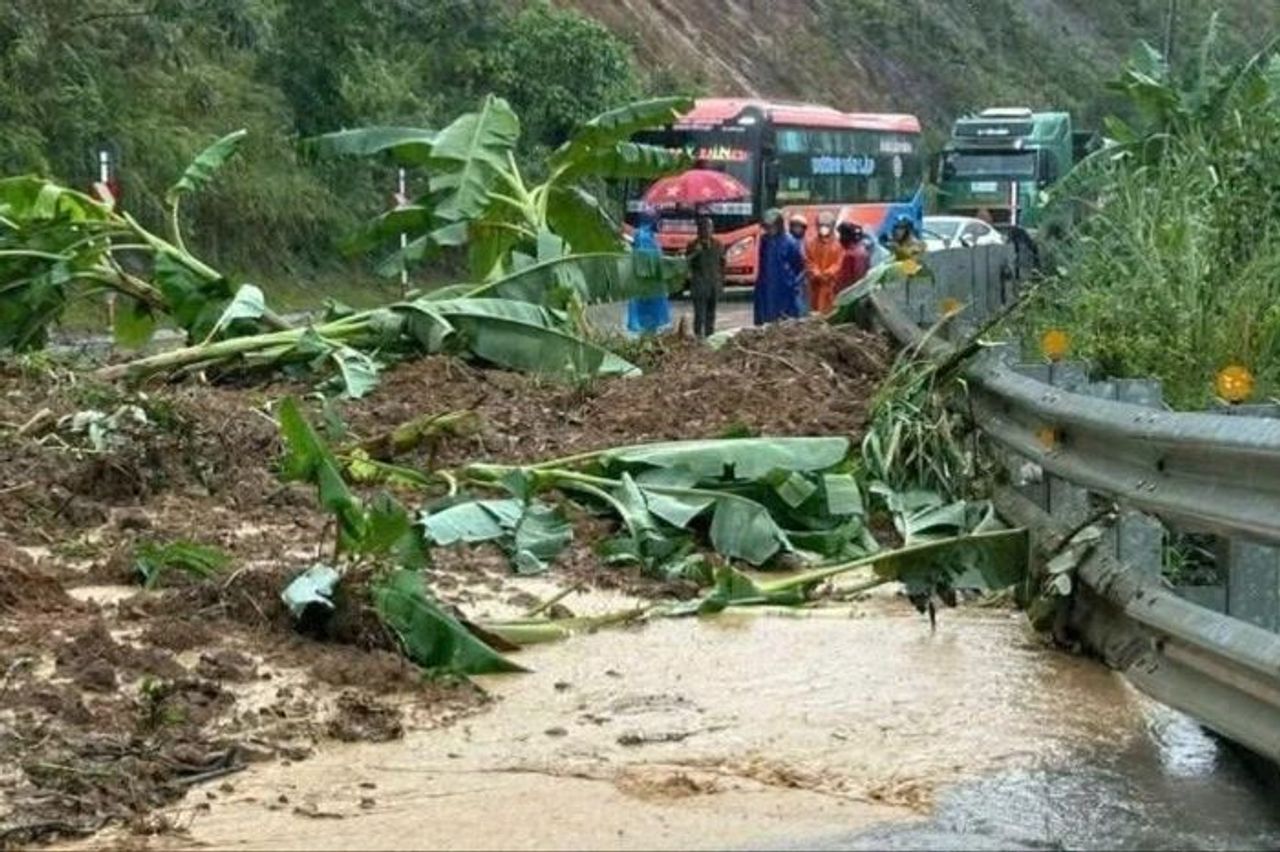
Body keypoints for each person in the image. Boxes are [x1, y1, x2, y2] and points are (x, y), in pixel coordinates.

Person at [753, 208, 805, 325]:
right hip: (766, 286)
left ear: (779, 225)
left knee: (784, 320)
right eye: (767, 227)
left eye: (771, 227)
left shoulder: (790, 242)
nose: (769, 230)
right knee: (765, 318)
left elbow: (799, 266)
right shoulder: (765, 240)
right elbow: (762, 264)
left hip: (784, 288)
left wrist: (792, 283)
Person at [626, 209, 671, 335]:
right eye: (656, 219)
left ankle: (649, 337)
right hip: (647, 282)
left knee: (651, 317)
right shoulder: (643, 236)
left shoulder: (649, 236)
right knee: (647, 315)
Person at [685, 212, 724, 339]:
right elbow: (687, 263)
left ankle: (710, 337)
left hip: (713, 284)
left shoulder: (718, 244)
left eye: (710, 228)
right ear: (699, 230)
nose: (708, 231)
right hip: (699, 286)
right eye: (705, 228)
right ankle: (698, 337)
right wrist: (696, 253)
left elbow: (722, 264)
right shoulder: (692, 245)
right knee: (699, 315)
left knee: (711, 315)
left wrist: (720, 282)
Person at [804, 211, 843, 313]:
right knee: (814, 309)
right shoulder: (811, 243)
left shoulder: (839, 244)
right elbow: (808, 261)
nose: (823, 228)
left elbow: (839, 263)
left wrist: (828, 273)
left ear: (832, 226)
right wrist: (815, 272)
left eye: (827, 226)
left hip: (830, 285)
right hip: (815, 285)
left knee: (830, 310)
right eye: (821, 225)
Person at [835, 221, 870, 295]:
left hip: (845, 294)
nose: (839, 239)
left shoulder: (851, 255)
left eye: (841, 235)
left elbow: (844, 280)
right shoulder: (862, 250)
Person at [788, 213, 810, 315]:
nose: (797, 229)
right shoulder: (788, 242)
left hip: (803, 278)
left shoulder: (807, 243)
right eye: (795, 226)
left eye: (799, 227)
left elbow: (808, 261)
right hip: (790, 277)